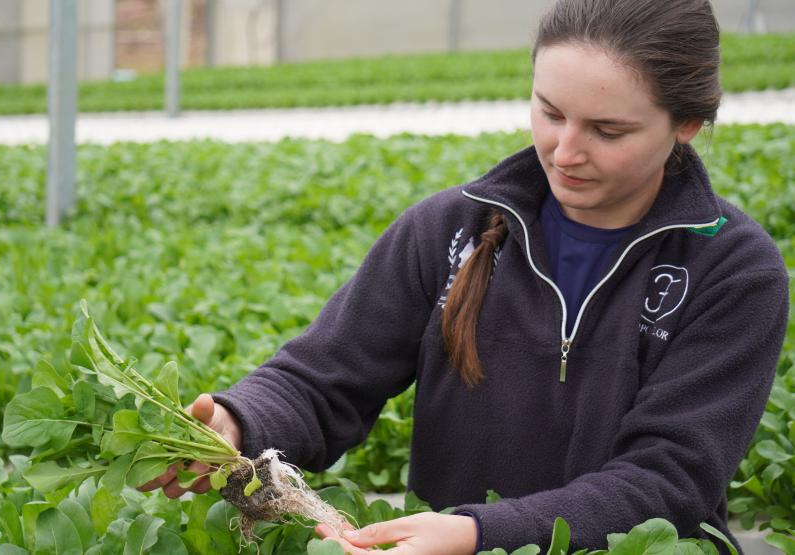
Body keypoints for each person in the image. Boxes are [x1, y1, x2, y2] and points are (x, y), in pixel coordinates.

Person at [139, 0, 790, 552]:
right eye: (549, 112)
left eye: (607, 129)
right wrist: (236, 419)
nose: (564, 152)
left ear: (686, 125)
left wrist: (479, 532)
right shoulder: (449, 229)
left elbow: (665, 480)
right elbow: (324, 377)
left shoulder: (731, 271)